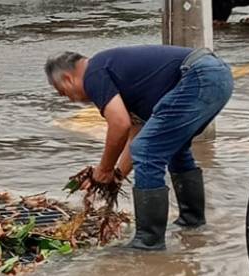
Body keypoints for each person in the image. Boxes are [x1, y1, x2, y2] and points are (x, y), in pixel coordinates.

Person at [44, 45, 234, 250]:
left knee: (149, 150)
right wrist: (116, 177)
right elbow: (136, 134)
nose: (70, 99)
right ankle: (192, 223)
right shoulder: (115, 75)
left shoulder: (94, 73)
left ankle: (148, 242)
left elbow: (119, 124)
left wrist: (104, 170)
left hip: (200, 76)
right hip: (216, 76)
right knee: (174, 149)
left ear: (67, 79)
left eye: (63, 93)